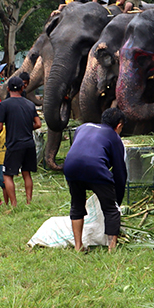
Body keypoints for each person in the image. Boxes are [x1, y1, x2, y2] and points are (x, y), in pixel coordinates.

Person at [63, 107, 127, 252]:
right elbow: (119, 170)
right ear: (119, 125)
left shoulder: (83, 127)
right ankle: (112, 248)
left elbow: (79, 148)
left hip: (71, 167)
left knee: (77, 205)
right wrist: (117, 199)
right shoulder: (114, 136)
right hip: (95, 168)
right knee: (111, 209)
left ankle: (78, 246)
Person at [0, 75, 41, 206]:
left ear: (8, 89)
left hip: (14, 144)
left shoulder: (4, 104)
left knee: (7, 175)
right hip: (29, 144)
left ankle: (14, 204)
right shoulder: (30, 104)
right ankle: (28, 202)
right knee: (27, 173)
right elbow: (38, 124)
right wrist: (25, 126)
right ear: (22, 88)